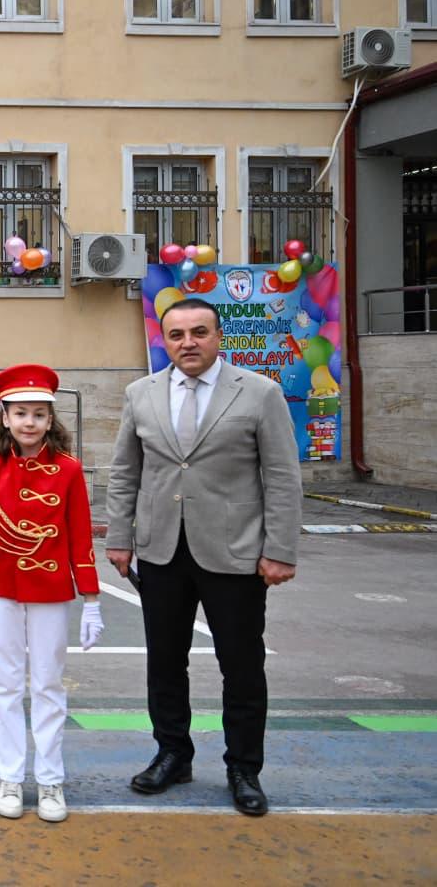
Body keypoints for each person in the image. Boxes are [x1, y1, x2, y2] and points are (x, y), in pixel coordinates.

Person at [106, 297, 302, 818]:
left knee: (241, 665)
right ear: (163, 340)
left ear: (219, 337)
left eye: (198, 332)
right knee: (165, 662)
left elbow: (282, 476)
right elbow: (126, 472)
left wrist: (279, 549)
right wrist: (119, 538)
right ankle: (173, 753)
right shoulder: (140, 394)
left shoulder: (260, 393)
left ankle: (244, 767)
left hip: (235, 552)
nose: (187, 343)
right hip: (161, 550)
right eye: (176, 335)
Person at [0, 364, 103, 824]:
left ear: (51, 420)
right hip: (3, 586)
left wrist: (92, 600)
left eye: (39, 414)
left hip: (49, 589)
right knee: (4, 684)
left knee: (46, 684)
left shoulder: (68, 470)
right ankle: (10, 776)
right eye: (20, 413)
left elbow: (80, 536)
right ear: (4, 418)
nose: (29, 422)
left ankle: (50, 780)